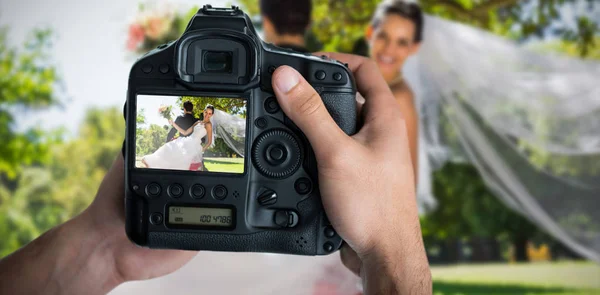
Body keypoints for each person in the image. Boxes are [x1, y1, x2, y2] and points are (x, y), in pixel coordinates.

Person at [0, 53, 431, 294]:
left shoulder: (200, 128)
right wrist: (394, 255)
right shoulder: (185, 128)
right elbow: (187, 133)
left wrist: (385, 247)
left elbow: (204, 137)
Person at [366, 0, 423, 178]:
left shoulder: (401, 99)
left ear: (414, 48)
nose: (389, 50)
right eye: (383, 36)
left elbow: (408, 180)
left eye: (402, 42)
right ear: (370, 33)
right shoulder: (358, 79)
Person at [142, 105, 214, 170]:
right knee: (168, 148)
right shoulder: (198, 122)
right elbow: (185, 132)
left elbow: (209, 142)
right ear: (204, 111)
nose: (207, 115)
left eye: (209, 113)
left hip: (195, 146)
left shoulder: (208, 125)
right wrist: (173, 123)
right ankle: (153, 164)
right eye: (206, 112)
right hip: (187, 141)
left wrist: (201, 150)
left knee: (181, 161)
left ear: (212, 115)